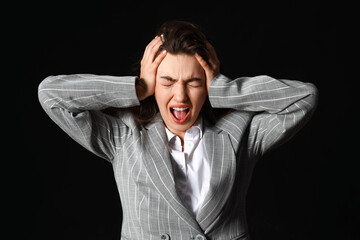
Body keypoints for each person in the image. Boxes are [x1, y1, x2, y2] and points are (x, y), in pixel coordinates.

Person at [38, 20, 318, 240]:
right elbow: (51, 95)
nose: (180, 96)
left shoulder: (241, 133)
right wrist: (137, 87)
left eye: (194, 82)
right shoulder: (124, 137)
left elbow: (304, 98)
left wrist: (225, 88)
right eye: (168, 82)